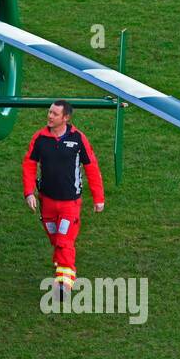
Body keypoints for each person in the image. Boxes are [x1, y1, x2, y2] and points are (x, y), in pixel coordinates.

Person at [21, 100, 105, 299]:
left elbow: (91, 168)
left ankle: (64, 284)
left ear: (66, 118)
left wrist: (98, 198)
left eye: (54, 114)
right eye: (49, 112)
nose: (50, 116)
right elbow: (29, 165)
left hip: (70, 204)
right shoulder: (40, 138)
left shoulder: (78, 139)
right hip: (47, 203)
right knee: (55, 239)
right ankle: (63, 274)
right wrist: (29, 192)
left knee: (63, 241)